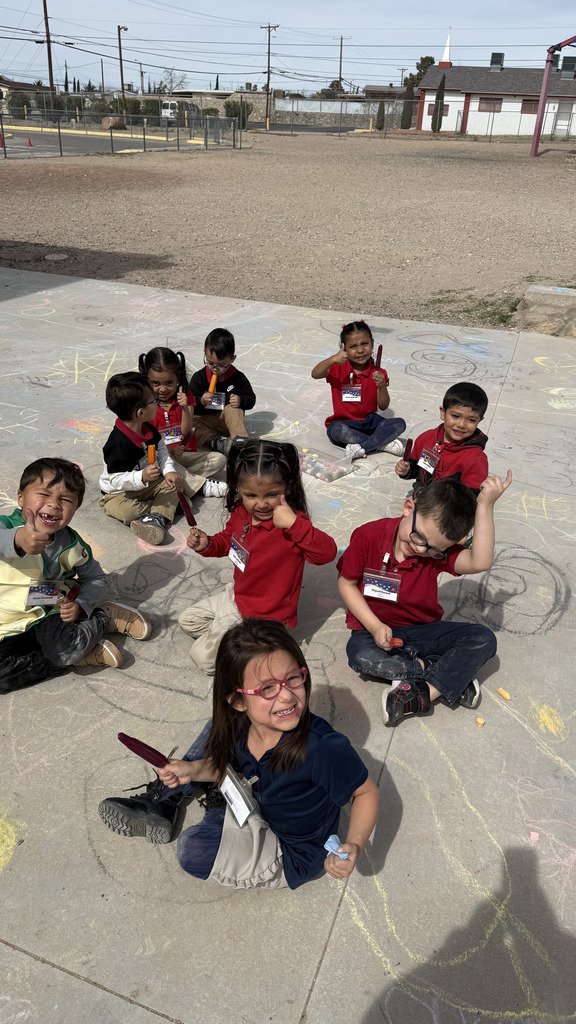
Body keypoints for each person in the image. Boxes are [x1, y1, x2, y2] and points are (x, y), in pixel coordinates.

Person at [99, 618, 379, 889]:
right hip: (254, 800)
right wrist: (193, 769)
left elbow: (365, 793)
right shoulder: (241, 721)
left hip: (289, 850)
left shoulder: (323, 747)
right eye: (267, 688)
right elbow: (227, 767)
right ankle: (183, 799)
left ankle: (212, 805)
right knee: (218, 726)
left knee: (192, 849)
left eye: (293, 677)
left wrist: (354, 844)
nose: (287, 696)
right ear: (238, 700)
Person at [337, 473, 512, 726]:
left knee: (482, 638)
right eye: (418, 538)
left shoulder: (435, 553)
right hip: (372, 629)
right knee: (359, 655)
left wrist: (485, 505)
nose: (420, 550)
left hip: (422, 630)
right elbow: (346, 583)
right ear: (409, 508)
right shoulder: (368, 536)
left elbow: (479, 561)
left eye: (432, 548)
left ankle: (421, 694)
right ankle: (450, 675)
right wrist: (375, 626)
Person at [179, 440, 337, 673]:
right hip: (237, 597)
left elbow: (327, 553)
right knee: (187, 621)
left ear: (289, 487)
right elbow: (227, 541)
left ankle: (257, 641)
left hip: (265, 617)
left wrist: (294, 524)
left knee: (203, 659)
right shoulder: (242, 512)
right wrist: (208, 544)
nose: (261, 504)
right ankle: (232, 633)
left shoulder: (292, 524)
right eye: (251, 495)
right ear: (239, 490)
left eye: (271, 494)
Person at [0, 457, 151, 689]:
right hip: (8, 618)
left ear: (76, 508)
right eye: (44, 494)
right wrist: (18, 539)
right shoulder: (5, 526)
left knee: (63, 650)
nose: (53, 504)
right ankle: (82, 653)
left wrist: (81, 604)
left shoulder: (71, 546)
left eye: (65, 499)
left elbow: (96, 578)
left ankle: (103, 617)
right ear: (21, 497)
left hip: (45, 608)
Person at [100, 371, 182, 546]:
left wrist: (169, 471)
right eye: (153, 401)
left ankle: (156, 517)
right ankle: (162, 509)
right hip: (118, 492)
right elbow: (114, 479)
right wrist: (141, 476)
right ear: (140, 412)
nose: (157, 403)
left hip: (147, 485)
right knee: (127, 512)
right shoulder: (118, 444)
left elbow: (162, 449)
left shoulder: (148, 429)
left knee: (173, 486)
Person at [138, 345, 227, 500]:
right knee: (161, 462)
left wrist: (184, 407)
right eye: (156, 383)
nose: (163, 389)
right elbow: (146, 443)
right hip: (161, 458)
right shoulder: (145, 403)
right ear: (146, 379)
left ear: (178, 377)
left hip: (184, 453)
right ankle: (200, 485)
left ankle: (181, 480)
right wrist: (168, 452)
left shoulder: (185, 395)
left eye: (169, 383)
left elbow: (184, 431)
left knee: (219, 459)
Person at [311, 320, 406, 461]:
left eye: (365, 343)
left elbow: (383, 405)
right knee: (336, 431)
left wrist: (382, 386)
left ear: (372, 343)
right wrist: (332, 359)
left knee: (399, 424)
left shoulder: (379, 372)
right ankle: (381, 444)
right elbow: (315, 374)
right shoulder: (338, 368)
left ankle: (362, 447)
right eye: (353, 346)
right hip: (345, 423)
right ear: (344, 348)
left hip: (369, 422)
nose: (360, 350)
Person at [395, 382, 489, 496]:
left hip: (449, 509)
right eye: (455, 416)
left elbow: (471, 498)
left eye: (471, 420)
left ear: (479, 420)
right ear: (443, 413)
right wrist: (407, 470)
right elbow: (421, 470)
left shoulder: (475, 459)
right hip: (422, 496)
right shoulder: (427, 439)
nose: (462, 424)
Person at [189, 328, 256, 454]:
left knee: (233, 409)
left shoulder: (238, 378)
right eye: (210, 362)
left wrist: (241, 400)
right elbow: (190, 403)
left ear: (232, 359)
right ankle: (216, 441)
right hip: (205, 422)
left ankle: (241, 444)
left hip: (226, 422)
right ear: (204, 352)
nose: (215, 368)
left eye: (220, 365)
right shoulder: (199, 377)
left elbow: (251, 399)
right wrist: (200, 400)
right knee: (186, 424)